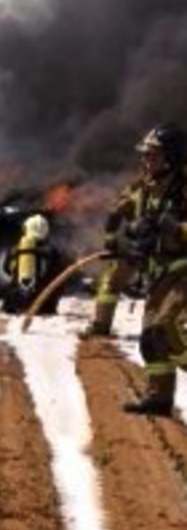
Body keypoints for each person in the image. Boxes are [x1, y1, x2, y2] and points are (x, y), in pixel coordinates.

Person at [97, 124, 187, 416]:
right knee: (150, 340)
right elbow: (131, 221)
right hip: (160, 273)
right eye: (145, 154)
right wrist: (132, 241)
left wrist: (177, 229)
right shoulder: (146, 189)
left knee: (166, 327)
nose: (146, 160)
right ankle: (159, 398)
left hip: (183, 271)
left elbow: (173, 230)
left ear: (172, 157)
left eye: (153, 155)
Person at [1, 214, 61, 315]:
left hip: (13, 305)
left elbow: (6, 269)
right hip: (43, 306)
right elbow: (59, 277)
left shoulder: (14, 249)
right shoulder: (52, 251)